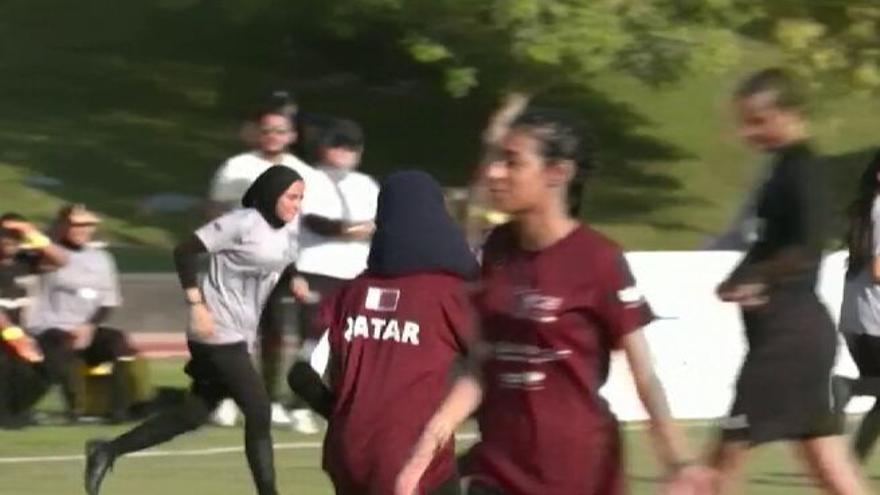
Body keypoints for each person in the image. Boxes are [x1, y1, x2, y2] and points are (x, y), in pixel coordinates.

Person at [395, 108, 713, 495]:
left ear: (557, 173)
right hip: (497, 469)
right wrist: (425, 448)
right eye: (496, 159)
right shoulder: (496, 248)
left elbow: (643, 374)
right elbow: (481, 366)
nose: (494, 172)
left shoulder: (598, 260)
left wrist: (679, 463)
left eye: (511, 162)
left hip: (577, 473)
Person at [84, 166, 308, 495]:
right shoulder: (241, 222)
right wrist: (197, 304)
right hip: (213, 330)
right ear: (272, 193)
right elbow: (185, 251)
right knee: (259, 408)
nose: (296, 204)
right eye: (291, 196)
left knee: (193, 415)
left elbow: (283, 260)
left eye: (301, 198)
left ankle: (106, 450)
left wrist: (295, 278)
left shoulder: (286, 230)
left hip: (239, 335)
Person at [710, 68, 870, 494]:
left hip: (789, 341)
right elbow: (773, 242)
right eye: (744, 121)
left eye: (757, 120)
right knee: (829, 465)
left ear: (789, 113)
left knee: (720, 463)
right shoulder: (782, 168)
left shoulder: (803, 170)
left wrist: (757, 277)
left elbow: (808, 244)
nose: (748, 132)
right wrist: (738, 276)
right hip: (789, 337)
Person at [289, 170, 478, 495]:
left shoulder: (349, 293)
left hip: (348, 454)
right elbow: (494, 365)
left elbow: (301, 375)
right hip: (415, 457)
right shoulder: (454, 293)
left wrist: (348, 415)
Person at [207, 106, 324, 431]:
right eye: (267, 130)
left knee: (273, 335)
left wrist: (298, 270)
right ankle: (228, 398)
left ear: (291, 136)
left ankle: (268, 400)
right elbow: (214, 211)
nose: (273, 136)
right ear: (257, 133)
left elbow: (302, 225)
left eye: (279, 130)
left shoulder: (303, 172)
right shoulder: (236, 167)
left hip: (279, 263)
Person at [28, 205, 135, 423]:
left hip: (85, 327)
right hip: (49, 328)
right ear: (63, 226)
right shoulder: (48, 254)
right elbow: (34, 257)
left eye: (88, 224)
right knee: (59, 343)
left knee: (117, 342)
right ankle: (75, 408)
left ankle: (118, 410)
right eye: (76, 224)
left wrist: (89, 326)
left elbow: (109, 301)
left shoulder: (103, 258)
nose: (83, 229)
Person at [296, 118, 379, 356]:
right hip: (318, 268)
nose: (344, 152)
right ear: (323, 145)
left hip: (358, 272)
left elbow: (383, 221)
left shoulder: (366, 184)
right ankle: (307, 386)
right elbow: (315, 222)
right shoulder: (307, 177)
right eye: (337, 144)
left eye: (351, 146)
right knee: (316, 334)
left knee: (354, 335)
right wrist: (354, 229)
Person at [0, 214, 65, 427]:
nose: (8, 240)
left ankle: (18, 409)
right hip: (7, 334)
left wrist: (31, 232)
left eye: (14, 236)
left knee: (50, 365)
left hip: (20, 333)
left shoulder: (24, 261)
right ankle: (6, 416)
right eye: (4, 235)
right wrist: (14, 336)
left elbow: (60, 260)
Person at [838, 149, 880, 462]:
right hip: (874, 321)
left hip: (859, 319)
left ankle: (852, 462)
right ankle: (845, 388)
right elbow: (877, 270)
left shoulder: (868, 209)